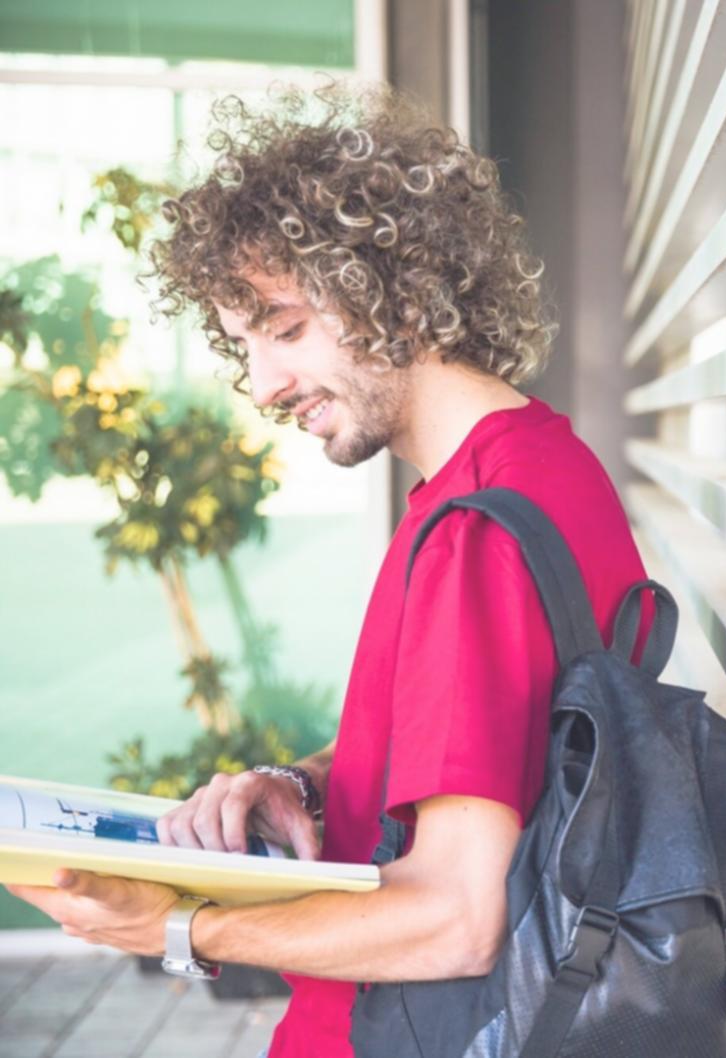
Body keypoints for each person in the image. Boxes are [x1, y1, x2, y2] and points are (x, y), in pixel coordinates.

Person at [4, 83, 648, 1057]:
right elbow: (496, 755)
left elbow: (454, 916)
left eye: (286, 327)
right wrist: (303, 785)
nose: (262, 385)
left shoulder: (481, 529)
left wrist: (176, 927)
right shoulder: (532, 473)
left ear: (398, 287)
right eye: (243, 345)